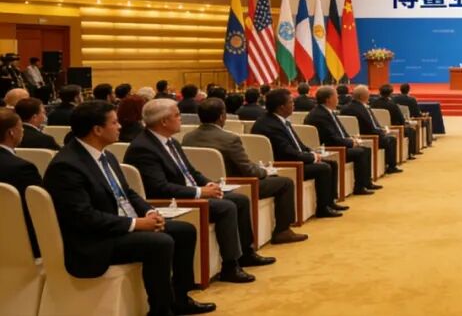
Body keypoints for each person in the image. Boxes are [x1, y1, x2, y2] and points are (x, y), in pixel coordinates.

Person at [43, 100, 215, 315]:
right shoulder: (67, 166)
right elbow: (83, 217)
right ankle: (161, 310)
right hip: (95, 239)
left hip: (117, 224)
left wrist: (149, 211)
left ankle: (180, 298)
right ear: (97, 130)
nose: (120, 127)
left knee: (184, 231)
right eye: (114, 123)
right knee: (160, 242)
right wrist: (135, 224)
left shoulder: (105, 155)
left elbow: (127, 193)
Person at [124, 98, 273, 283]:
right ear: (163, 121)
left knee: (240, 199)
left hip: (190, 192)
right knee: (226, 207)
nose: (181, 119)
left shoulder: (171, 142)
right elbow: (159, 187)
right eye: (177, 115)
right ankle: (230, 265)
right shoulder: (143, 148)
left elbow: (191, 172)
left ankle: (246, 253)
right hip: (171, 199)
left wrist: (209, 185)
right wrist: (200, 193)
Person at [182, 98, 307, 245]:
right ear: (222, 116)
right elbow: (248, 170)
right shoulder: (230, 139)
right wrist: (264, 172)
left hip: (206, 185)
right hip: (239, 184)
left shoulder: (187, 137)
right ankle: (282, 231)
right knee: (285, 183)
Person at [253, 89, 349, 217]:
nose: (294, 105)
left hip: (295, 158)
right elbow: (286, 151)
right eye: (291, 102)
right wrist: (311, 157)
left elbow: (297, 144)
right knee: (324, 168)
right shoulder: (269, 125)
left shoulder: (280, 120)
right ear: (281, 107)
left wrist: (311, 152)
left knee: (332, 163)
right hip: (286, 163)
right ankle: (322, 208)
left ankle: (330, 202)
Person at [304, 87, 380, 195]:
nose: (338, 98)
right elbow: (331, 138)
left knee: (365, 149)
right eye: (336, 96)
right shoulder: (319, 115)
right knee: (360, 152)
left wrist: (350, 139)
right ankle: (359, 187)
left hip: (338, 144)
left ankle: (366, 182)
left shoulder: (328, 112)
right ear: (328, 99)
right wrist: (350, 143)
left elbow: (340, 132)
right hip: (332, 147)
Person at [0, 107, 42, 257]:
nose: (23, 131)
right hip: (21, 246)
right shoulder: (22, 168)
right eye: (21, 128)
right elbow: (40, 209)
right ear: (11, 132)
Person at [340, 84, 403, 175]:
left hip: (353, 136)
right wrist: (382, 132)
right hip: (369, 136)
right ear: (363, 96)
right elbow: (371, 127)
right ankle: (391, 166)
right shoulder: (364, 109)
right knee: (391, 139)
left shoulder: (345, 108)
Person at [371, 84, 420, 158]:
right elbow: (401, 119)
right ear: (391, 93)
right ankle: (410, 153)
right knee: (411, 131)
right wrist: (404, 124)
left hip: (377, 128)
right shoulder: (392, 105)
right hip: (393, 127)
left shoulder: (373, 104)